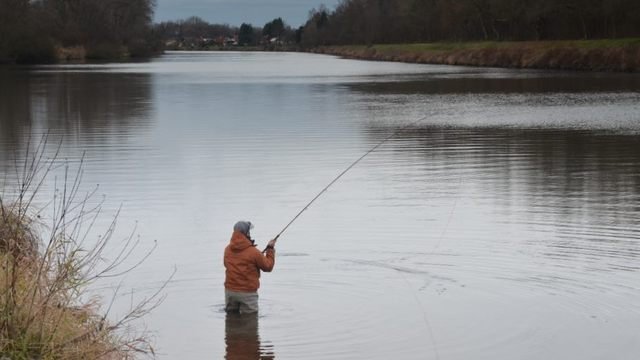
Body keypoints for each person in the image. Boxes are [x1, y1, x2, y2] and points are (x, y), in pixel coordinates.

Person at [224, 221, 276, 314]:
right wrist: (270, 250)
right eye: (249, 231)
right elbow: (268, 267)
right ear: (246, 233)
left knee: (231, 317)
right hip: (247, 293)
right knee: (250, 321)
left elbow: (228, 264)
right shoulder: (254, 252)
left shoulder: (227, 249)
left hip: (230, 292)